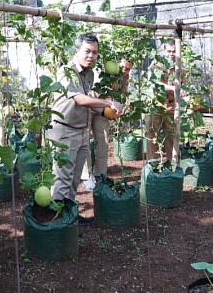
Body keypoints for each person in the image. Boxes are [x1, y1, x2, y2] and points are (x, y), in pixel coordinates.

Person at [48, 33, 123, 225]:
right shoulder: (67, 71)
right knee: (62, 177)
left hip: (81, 131)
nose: (91, 56)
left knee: (74, 179)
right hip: (64, 131)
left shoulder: (88, 73)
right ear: (77, 51)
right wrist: (107, 101)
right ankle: (58, 221)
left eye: (95, 52)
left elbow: (90, 102)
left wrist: (108, 112)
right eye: (87, 51)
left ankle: (69, 214)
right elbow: (79, 99)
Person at [82, 57, 133, 190]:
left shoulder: (124, 77)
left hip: (105, 110)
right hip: (90, 105)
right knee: (85, 140)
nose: (125, 71)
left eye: (128, 69)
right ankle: (87, 176)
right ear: (116, 65)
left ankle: (100, 174)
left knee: (103, 139)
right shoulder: (102, 72)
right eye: (122, 68)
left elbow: (122, 95)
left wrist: (120, 107)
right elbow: (93, 96)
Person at [145, 40, 186, 162]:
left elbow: (184, 87)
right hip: (156, 104)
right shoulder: (157, 64)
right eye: (169, 51)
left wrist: (187, 97)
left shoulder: (179, 68)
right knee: (152, 137)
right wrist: (174, 88)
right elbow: (154, 83)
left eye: (174, 51)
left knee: (172, 138)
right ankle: (152, 167)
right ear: (164, 51)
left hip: (172, 106)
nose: (171, 54)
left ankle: (173, 166)